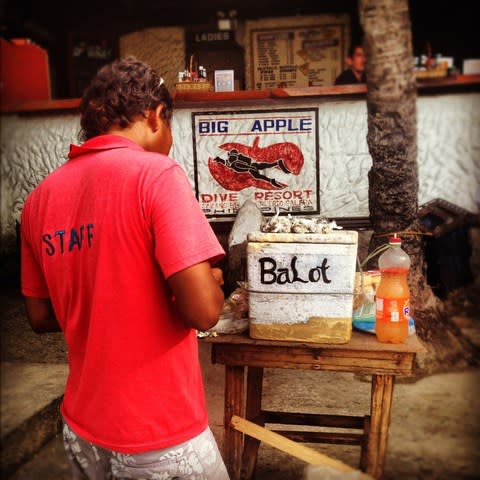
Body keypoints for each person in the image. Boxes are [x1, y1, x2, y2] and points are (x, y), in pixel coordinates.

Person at [20, 56, 230, 479]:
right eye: (170, 126)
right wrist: (208, 279)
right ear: (155, 116)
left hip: (83, 429)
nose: (170, 140)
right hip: (157, 434)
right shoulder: (156, 176)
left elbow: (41, 316)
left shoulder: (39, 198)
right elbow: (204, 312)